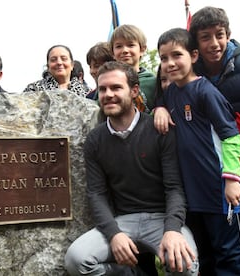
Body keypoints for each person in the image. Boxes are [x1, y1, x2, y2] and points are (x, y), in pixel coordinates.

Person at [64, 61, 198, 275]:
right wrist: (113, 234)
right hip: (122, 220)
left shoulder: (159, 130)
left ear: (134, 90)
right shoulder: (95, 140)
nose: (108, 94)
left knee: (185, 264)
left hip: (161, 218)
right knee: (76, 260)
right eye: (102, 89)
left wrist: (172, 230)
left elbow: (174, 188)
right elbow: (96, 194)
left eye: (116, 88)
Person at [156, 27, 240, 276]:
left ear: (194, 56)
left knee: (232, 256)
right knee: (205, 256)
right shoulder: (171, 92)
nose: (170, 63)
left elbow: (231, 137)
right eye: (163, 58)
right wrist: (160, 109)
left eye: (177, 55)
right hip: (193, 194)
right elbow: (162, 103)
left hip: (220, 190)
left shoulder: (206, 91)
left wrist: (232, 180)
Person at [109, 24, 156, 113]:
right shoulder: (107, 84)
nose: (125, 50)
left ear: (142, 49)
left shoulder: (153, 82)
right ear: (112, 53)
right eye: (119, 46)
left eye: (130, 45)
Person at [23, 45, 88, 97]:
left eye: (64, 59)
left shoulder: (87, 92)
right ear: (48, 66)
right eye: (53, 60)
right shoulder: (33, 89)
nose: (59, 63)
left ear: (72, 65)